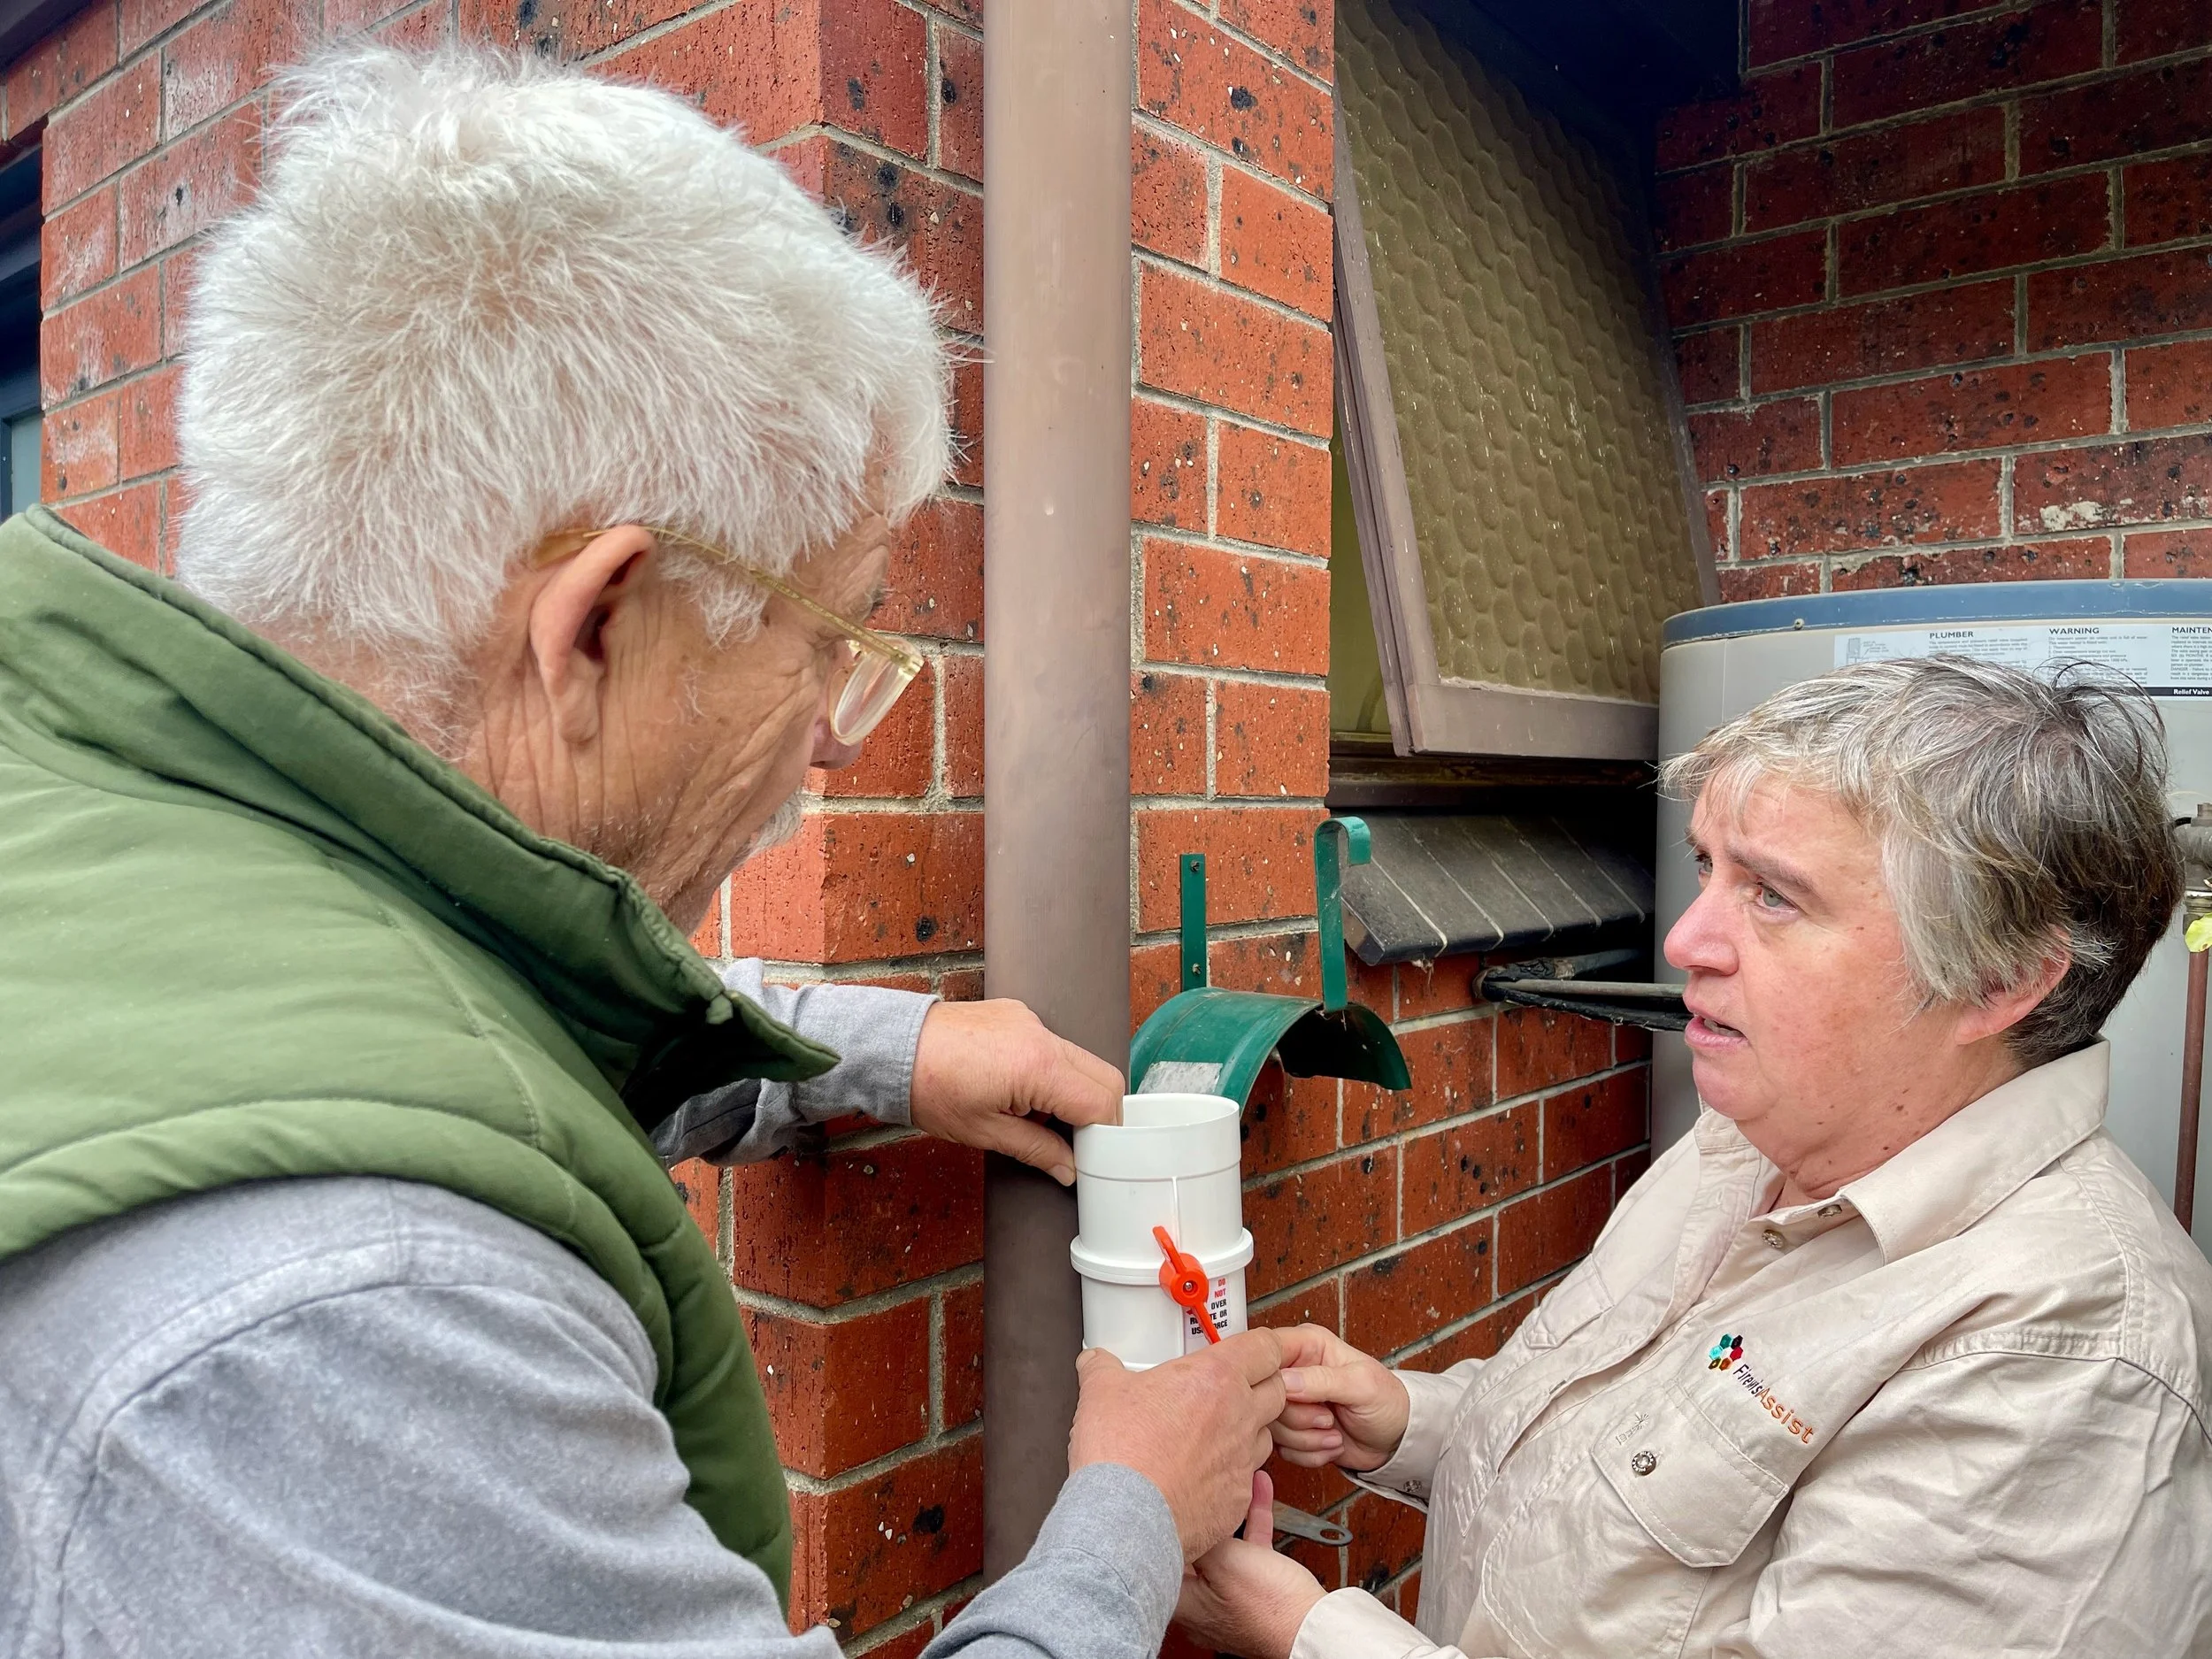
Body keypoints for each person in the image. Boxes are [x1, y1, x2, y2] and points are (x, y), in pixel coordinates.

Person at [0, 43, 1285, 1659]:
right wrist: (1124, 1517)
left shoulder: (113, 815)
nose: (834, 729)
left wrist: (891, 1056)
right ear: (599, 624)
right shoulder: (367, 1317)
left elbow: (480, 1016)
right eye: (833, 637)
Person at [1179, 657, 2212, 1658]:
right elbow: (1638, 1475)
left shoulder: (2059, 1362)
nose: (1685, 940)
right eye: (1708, 865)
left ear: (1997, 983)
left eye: (1773, 896)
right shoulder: (1752, 1135)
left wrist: (1306, 1636)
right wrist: (1409, 1422)